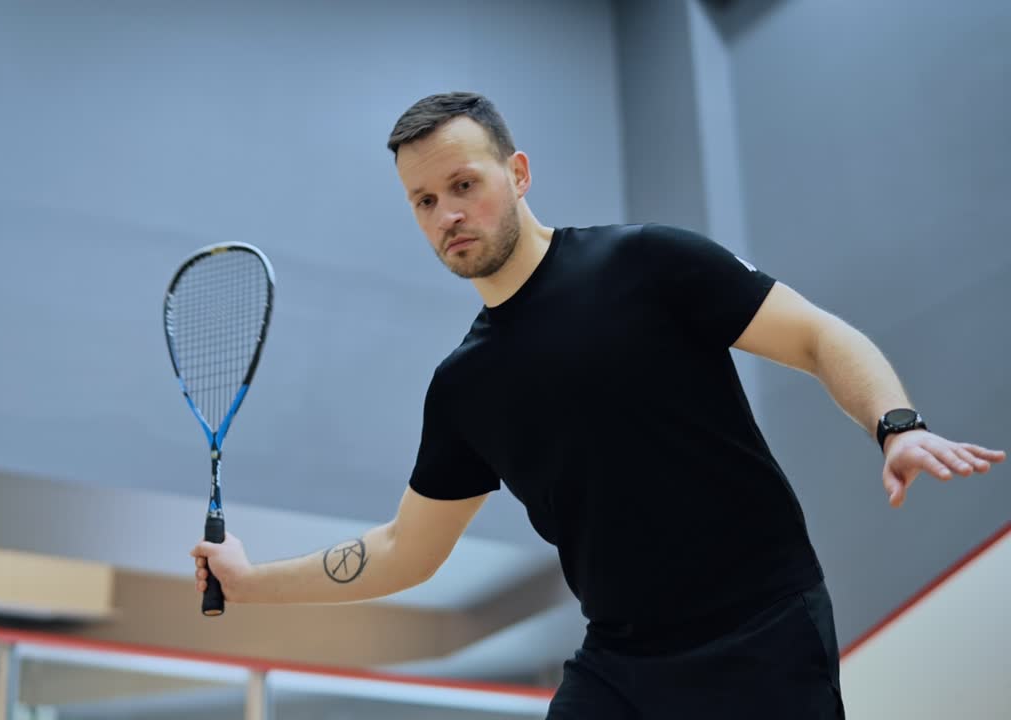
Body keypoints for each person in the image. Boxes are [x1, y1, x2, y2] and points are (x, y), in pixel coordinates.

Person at [190, 92, 1005, 718]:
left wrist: (895, 426)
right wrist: (252, 584)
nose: (448, 215)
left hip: (761, 631)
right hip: (621, 665)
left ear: (518, 174)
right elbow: (408, 548)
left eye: (464, 185)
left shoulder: (648, 263)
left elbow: (819, 337)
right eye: (424, 201)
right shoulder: (466, 386)